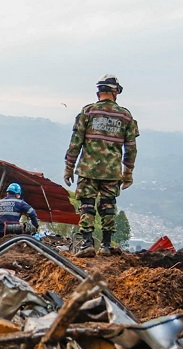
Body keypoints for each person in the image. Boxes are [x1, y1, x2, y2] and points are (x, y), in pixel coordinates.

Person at [64, 74, 139, 257]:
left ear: (99, 93)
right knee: (108, 206)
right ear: (115, 92)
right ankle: (106, 246)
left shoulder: (88, 112)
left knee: (87, 206)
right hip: (112, 173)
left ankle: (87, 244)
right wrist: (128, 173)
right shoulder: (125, 116)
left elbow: (76, 143)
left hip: (87, 170)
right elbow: (131, 149)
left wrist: (69, 167)